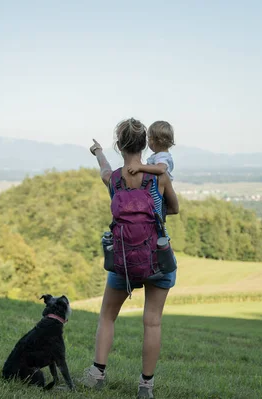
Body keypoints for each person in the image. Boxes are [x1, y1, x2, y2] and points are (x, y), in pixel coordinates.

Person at [82, 118, 179, 399]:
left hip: (123, 260)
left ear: (119, 146)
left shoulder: (112, 179)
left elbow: (102, 166)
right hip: (158, 258)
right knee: (152, 321)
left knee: (107, 316)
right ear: (143, 144)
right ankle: (145, 386)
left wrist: (98, 152)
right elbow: (174, 207)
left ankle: (97, 374)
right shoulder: (158, 175)